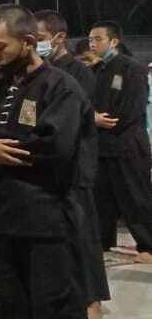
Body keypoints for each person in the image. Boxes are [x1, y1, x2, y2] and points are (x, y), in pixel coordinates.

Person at [0, 5, 93, 318]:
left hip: (46, 223)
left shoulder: (61, 87)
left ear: (28, 42)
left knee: (53, 307)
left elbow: (55, 147)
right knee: (7, 305)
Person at [37, 9, 111, 317]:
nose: (36, 44)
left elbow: (82, 117)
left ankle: (91, 299)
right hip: (53, 168)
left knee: (83, 233)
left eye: (40, 38)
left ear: (59, 37)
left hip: (76, 165)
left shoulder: (77, 73)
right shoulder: (43, 71)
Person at [88, 21, 152, 264]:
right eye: (90, 39)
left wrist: (109, 122)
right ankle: (103, 243)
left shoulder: (131, 68)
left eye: (98, 39)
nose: (92, 44)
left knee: (135, 197)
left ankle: (148, 246)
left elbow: (134, 107)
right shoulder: (96, 70)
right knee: (101, 199)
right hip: (102, 145)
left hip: (127, 145)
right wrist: (92, 119)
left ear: (113, 41)